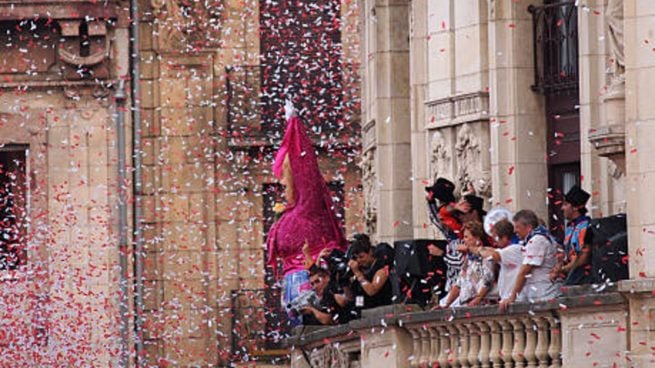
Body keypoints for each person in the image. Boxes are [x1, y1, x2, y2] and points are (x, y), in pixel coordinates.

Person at [266, 100, 347, 326]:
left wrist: (294, 127)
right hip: (293, 285)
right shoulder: (291, 211)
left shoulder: (308, 205)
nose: (282, 186)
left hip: (306, 282)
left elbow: (306, 169)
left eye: (284, 180)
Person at [500, 210, 562, 311]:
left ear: (528, 227)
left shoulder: (537, 240)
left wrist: (512, 297)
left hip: (544, 295)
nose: (515, 231)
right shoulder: (540, 238)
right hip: (539, 295)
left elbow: (525, 271)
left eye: (517, 227)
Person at [442, 221, 495, 308]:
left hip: (481, 305)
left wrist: (477, 299)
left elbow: (488, 280)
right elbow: (459, 284)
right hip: (465, 304)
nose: (464, 240)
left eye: (466, 237)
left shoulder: (486, 254)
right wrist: (446, 304)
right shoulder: (468, 258)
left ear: (477, 238)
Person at [479, 219, 524, 302]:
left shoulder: (514, 248)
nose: (495, 242)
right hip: (508, 298)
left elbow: (493, 256)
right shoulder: (509, 249)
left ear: (504, 238)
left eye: (496, 238)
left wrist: (478, 250)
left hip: (514, 299)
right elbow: (495, 251)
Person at [348, 234, 393, 311]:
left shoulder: (381, 268)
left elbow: (372, 290)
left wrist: (358, 273)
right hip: (362, 310)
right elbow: (350, 296)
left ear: (370, 252)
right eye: (356, 258)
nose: (359, 260)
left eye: (361, 257)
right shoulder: (361, 269)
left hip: (380, 310)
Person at [560, 185, 593, 285]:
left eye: (565, 204)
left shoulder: (587, 226)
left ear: (575, 207)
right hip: (570, 273)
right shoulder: (570, 227)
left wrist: (562, 269)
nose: (562, 208)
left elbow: (583, 258)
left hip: (583, 277)